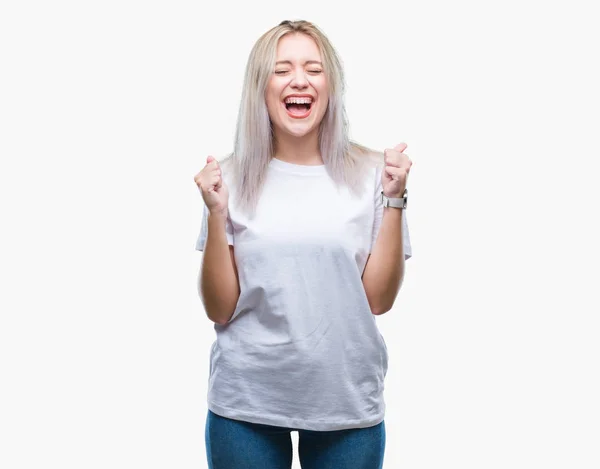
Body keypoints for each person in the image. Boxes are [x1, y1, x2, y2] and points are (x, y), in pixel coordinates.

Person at [193, 19, 412, 469]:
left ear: (330, 85)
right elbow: (219, 308)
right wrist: (217, 214)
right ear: (261, 87)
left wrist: (394, 198)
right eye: (282, 69)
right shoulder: (228, 179)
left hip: (346, 403)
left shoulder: (375, 173)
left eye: (313, 69)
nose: (299, 80)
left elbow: (379, 299)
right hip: (246, 404)